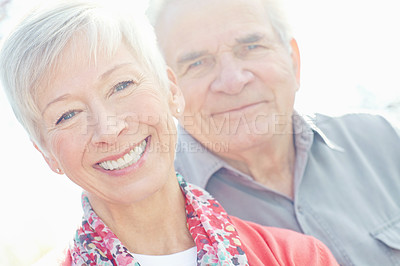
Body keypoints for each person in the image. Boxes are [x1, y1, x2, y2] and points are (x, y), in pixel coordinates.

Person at [0, 0, 339, 265]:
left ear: (172, 91)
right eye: (67, 115)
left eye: (121, 85)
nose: (109, 128)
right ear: (45, 153)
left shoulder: (297, 257)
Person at [147, 0, 400, 265]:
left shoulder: (380, 140)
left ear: (293, 60)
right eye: (198, 63)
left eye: (251, 47)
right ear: (168, 91)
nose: (233, 81)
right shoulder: (153, 211)